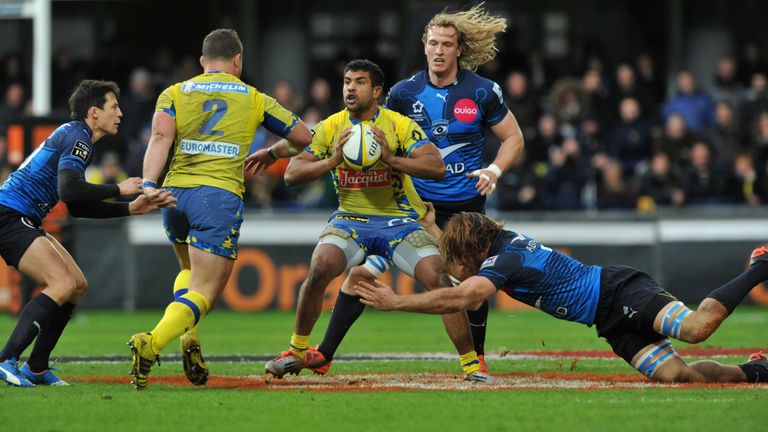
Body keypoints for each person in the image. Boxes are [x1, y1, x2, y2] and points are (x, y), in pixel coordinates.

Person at [251, 59, 486, 382]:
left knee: (439, 279)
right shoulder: (330, 127)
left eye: (359, 82)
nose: (350, 87)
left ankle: (472, 365)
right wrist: (333, 160)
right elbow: (292, 174)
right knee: (320, 267)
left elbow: (436, 167)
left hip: (400, 222)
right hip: (350, 219)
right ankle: (297, 350)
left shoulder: (399, 125)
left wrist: (391, 159)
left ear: (376, 91)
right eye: (347, 81)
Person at [355, 205, 768, 383]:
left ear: (474, 251)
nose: (451, 269)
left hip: (620, 289)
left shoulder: (507, 259)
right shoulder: (495, 246)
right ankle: (756, 370)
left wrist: (396, 302)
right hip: (606, 319)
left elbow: (465, 298)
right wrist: (432, 228)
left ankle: (759, 266)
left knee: (697, 329)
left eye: (455, 259)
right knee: (681, 376)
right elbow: (462, 266)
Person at [128, 28, 312, 390]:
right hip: (218, 196)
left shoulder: (175, 91)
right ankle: (151, 343)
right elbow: (304, 137)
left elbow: (161, 138)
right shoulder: (254, 98)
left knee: (187, 271)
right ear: (238, 61)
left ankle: (189, 338)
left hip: (175, 195)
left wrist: (149, 184)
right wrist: (272, 152)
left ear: (202, 62)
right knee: (207, 291)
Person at [384, 4, 525, 372]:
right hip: (416, 206)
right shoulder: (402, 94)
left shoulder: (482, 91)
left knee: (470, 283)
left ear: (459, 50)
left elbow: (514, 138)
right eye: (434, 43)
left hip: (466, 208)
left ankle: (475, 359)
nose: (439, 50)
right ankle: (319, 351)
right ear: (424, 47)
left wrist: (493, 169)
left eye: (447, 44)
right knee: (365, 266)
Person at [0, 79, 156, 387]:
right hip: (10, 216)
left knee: (76, 285)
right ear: (94, 112)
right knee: (60, 284)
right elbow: (69, 190)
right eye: (114, 106)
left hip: (20, 217)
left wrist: (129, 208)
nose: (121, 114)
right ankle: (6, 358)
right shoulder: (78, 137)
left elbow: (77, 207)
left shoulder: (76, 137)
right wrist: (118, 188)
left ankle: (38, 366)